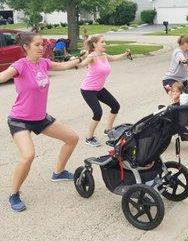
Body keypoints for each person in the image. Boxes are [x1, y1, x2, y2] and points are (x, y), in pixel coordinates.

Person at [0, 32, 81, 212]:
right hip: (19, 119)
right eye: (37, 44)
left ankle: (58, 172)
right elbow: (3, 76)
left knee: (72, 138)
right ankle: (13, 194)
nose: (42, 47)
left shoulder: (44, 63)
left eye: (43, 44)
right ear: (26, 47)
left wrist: (78, 60)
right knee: (28, 155)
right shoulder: (20, 65)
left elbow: (64, 65)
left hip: (40, 118)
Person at [79, 35, 131, 147]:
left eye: (105, 42)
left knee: (115, 106)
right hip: (88, 90)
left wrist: (125, 54)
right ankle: (89, 138)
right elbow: (82, 64)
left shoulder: (104, 55)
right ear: (95, 44)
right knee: (98, 113)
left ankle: (108, 129)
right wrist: (78, 60)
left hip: (99, 89)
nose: (105, 44)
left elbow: (115, 58)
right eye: (102, 42)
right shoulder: (92, 56)